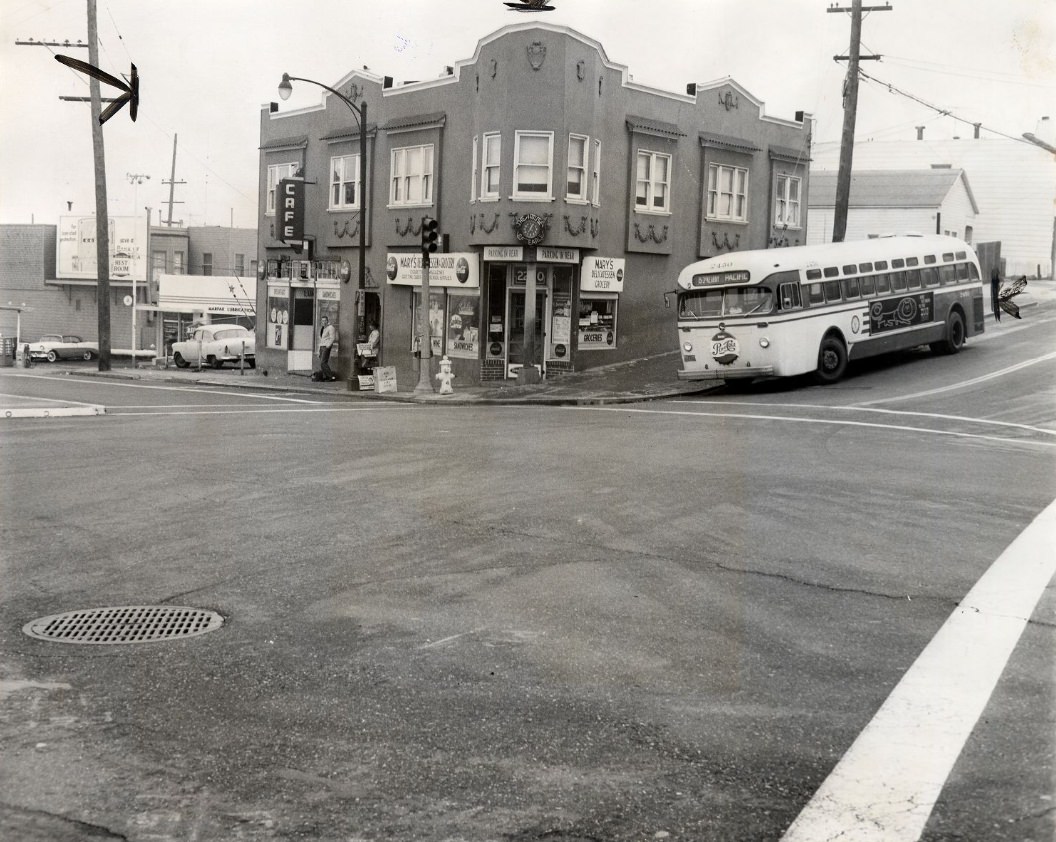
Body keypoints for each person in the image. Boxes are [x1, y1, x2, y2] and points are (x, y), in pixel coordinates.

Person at [318, 316, 337, 381]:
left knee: (323, 362)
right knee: (322, 362)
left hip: (326, 346)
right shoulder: (323, 328)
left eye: (325, 320)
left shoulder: (330, 328)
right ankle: (325, 376)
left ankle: (331, 377)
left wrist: (328, 346)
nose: (323, 322)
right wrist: (319, 349)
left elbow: (332, 338)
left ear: (327, 321)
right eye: (322, 321)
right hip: (322, 346)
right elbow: (322, 339)